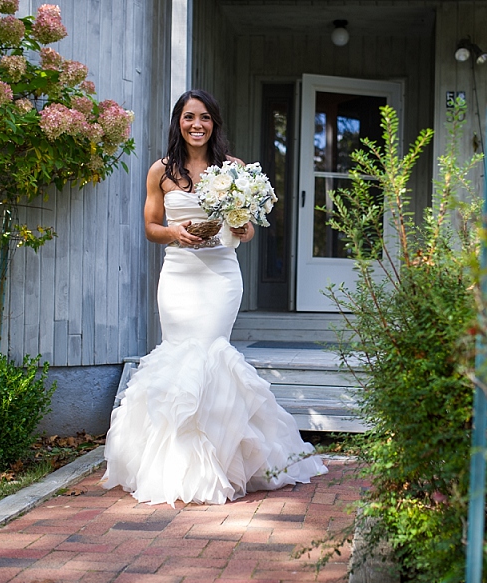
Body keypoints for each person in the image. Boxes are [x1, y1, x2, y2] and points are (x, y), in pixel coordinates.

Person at [101, 90, 327, 506]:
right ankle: (176, 463)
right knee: (180, 357)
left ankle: (221, 463)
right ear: (179, 122)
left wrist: (244, 230)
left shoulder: (234, 169)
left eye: (204, 117)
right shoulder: (161, 171)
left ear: (214, 123)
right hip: (179, 276)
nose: (197, 125)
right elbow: (151, 225)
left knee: (212, 355)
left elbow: (248, 226)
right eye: (189, 117)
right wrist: (174, 232)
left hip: (221, 274)